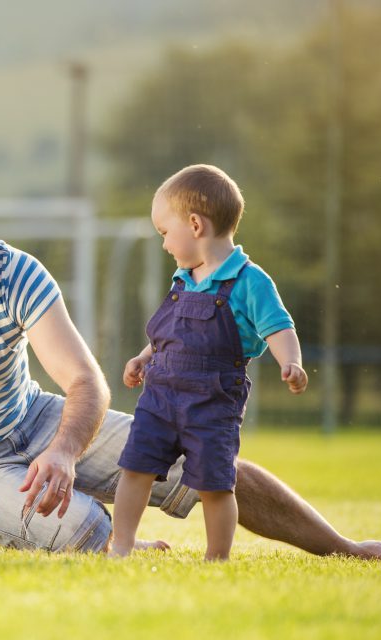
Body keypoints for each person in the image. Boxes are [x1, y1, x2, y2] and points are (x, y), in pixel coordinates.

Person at [0, 161, 381, 561]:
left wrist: (64, 452)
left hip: (34, 420)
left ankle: (349, 548)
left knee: (209, 465)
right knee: (82, 528)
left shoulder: (14, 272)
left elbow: (84, 381)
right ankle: (113, 538)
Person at [109, 164, 307, 561]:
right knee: (135, 468)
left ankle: (217, 557)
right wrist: (144, 357)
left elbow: (278, 326)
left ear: (195, 225)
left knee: (216, 484)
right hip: (160, 396)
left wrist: (292, 361)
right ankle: (122, 545)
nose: (165, 245)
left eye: (165, 233)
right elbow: (170, 333)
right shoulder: (183, 278)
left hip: (212, 403)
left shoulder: (251, 281)